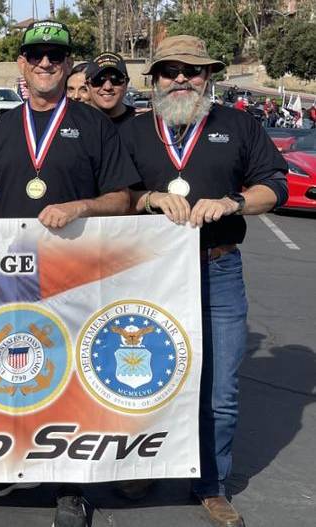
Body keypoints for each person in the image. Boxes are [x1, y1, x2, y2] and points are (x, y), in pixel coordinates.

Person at [121, 34, 287, 527]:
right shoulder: (131, 132)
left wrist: (235, 203)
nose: (182, 79)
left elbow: (273, 186)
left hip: (216, 268)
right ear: (154, 79)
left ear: (209, 77)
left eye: (192, 71)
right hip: (146, 272)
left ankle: (211, 484)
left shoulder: (238, 124)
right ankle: (143, 466)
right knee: (143, 379)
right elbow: (113, 194)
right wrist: (149, 198)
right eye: (170, 70)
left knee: (220, 389)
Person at [0, 21, 139, 527]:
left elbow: (124, 199)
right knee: (10, 370)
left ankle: (71, 484)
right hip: (10, 276)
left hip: (75, 275)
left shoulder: (94, 125)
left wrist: (79, 206)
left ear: (68, 65)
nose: (46, 62)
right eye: (36, 55)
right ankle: (14, 461)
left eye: (56, 55)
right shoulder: (3, 126)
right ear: (21, 64)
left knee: (71, 378)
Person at [86, 51, 137, 124]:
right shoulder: (75, 122)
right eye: (99, 80)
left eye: (115, 79)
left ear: (126, 84)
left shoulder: (142, 122)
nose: (107, 87)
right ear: (87, 86)